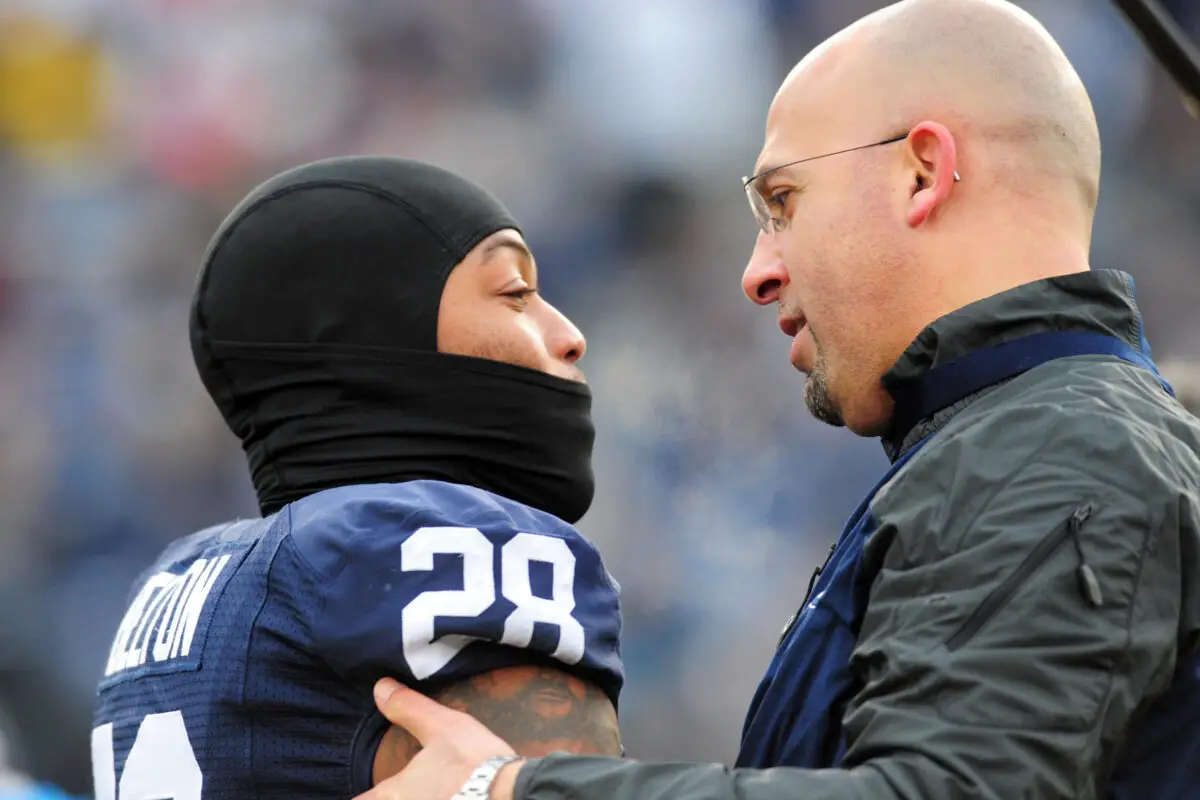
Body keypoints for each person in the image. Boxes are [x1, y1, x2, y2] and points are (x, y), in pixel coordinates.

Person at [353, 1, 1200, 799]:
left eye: (784, 202)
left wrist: (507, 788)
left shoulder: (1056, 445)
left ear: (923, 173)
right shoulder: (1030, 435)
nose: (757, 272)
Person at [90, 156, 625, 798]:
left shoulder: (182, 581)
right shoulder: (415, 543)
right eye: (514, 293)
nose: (569, 335)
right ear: (377, 337)